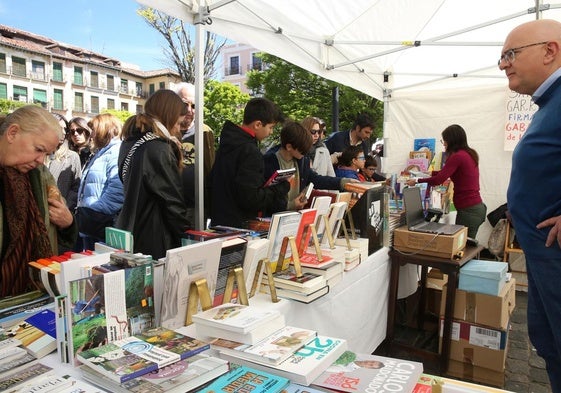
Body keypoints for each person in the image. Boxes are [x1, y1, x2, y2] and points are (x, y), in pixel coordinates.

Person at [499, 19, 561, 391]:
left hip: (554, 254)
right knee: (548, 340)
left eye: (510, 54)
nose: (504, 64)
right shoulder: (549, 104)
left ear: (550, 51)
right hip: (543, 254)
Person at [0, 105, 77, 296]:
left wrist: (68, 223)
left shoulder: (41, 176)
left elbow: (55, 230)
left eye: (47, 154)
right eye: (38, 149)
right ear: (12, 133)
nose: (41, 160)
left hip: (30, 296)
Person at [116, 89, 191, 260]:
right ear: (169, 116)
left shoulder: (129, 142)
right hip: (155, 239)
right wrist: (187, 237)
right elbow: (172, 203)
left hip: (130, 233)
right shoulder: (158, 148)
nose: (178, 129)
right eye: (178, 123)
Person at [209, 97, 290, 228]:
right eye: (271, 127)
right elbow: (251, 199)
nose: (271, 132)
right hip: (239, 226)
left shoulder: (227, 143)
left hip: (220, 221)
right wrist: (280, 188)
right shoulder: (250, 151)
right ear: (258, 125)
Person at [406, 124, 486, 239]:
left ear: (451, 140)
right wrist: (429, 173)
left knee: (463, 246)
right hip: (475, 207)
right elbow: (447, 172)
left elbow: (439, 180)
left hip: (469, 211)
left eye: (444, 140)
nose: (444, 144)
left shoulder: (457, 156)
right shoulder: (469, 154)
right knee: (464, 244)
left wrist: (417, 180)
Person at [263, 121, 353, 214]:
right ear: (289, 147)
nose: (305, 154)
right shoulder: (269, 162)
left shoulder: (302, 160)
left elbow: (315, 179)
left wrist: (342, 182)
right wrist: (291, 205)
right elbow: (265, 198)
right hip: (273, 217)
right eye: (302, 151)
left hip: (295, 214)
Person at [75, 113, 124, 251]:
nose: (91, 135)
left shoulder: (115, 152)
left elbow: (117, 191)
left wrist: (92, 211)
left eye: (94, 130)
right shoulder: (102, 152)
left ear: (104, 129)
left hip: (100, 225)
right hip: (92, 224)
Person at [174, 82, 216, 225]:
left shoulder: (205, 132)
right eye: (185, 104)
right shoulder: (164, 131)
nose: (189, 110)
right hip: (172, 206)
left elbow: (211, 167)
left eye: (194, 106)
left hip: (197, 207)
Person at [46, 113, 82, 211]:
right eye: (59, 128)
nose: (63, 132)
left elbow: (76, 187)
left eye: (65, 129)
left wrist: (65, 207)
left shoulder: (72, 156)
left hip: (61, 213)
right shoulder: (37, 155)